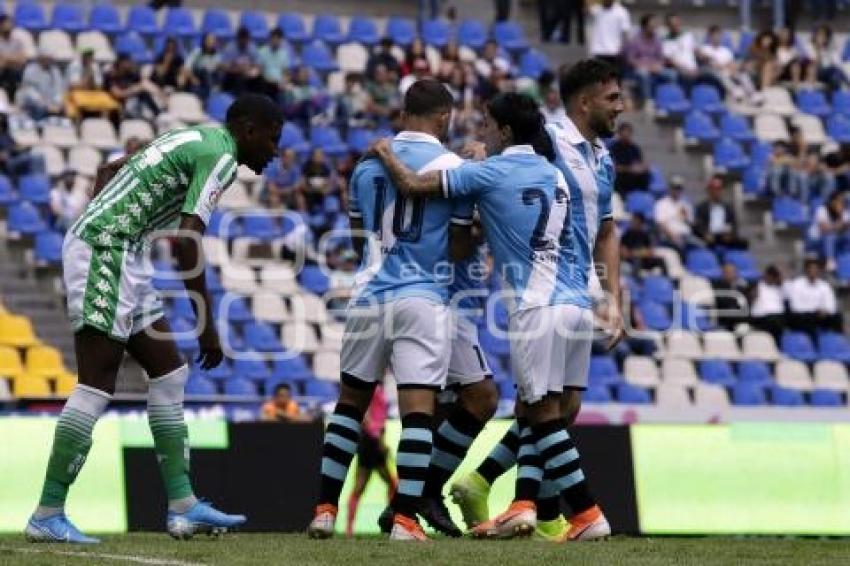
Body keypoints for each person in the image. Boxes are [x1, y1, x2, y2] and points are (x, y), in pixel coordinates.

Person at [371, 62, 624, 542]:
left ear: (505, 130)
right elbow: (577, 235)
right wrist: (606, 297)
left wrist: (386, 151)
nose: (482, 132)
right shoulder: (555, 174)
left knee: (542, 412)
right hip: (576, 298)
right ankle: (525, 505)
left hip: (535, 304)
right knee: (555, 408)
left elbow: (413, 186)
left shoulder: (488, 172)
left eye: (488, 125)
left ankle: (587, 515)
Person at [25, 94, 284, 544]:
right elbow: (187, 243)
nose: (274, 151)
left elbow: (112, 169)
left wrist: (107, 210)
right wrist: (207, 325)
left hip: (128, 249)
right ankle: (47, 513)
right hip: (108, 249)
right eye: (272, 139)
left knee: (168, 373)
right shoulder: (221, 157)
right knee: (95, 383)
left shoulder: (197, 135)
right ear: (248, 130)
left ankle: (183, 508)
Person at [308, 80, 474, 542]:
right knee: (418, 410)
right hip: (421, 295)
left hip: (367, 294)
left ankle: (323, 509)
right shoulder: (452, 167)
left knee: (349, 405)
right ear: (443, 118)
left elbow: (360, 233)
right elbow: (459, 247)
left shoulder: (364, 167)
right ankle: (404, 520)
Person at [345, 385, 397, 537]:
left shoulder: (376, 387)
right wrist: (379, 439)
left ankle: (350, 529)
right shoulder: (371, 388)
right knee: (389, 483)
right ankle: (393, 520)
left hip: (371, 440)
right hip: (371, 441)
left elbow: (377, 415)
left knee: (364, 486)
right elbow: (366, 414)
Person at [785, 257, 842, 336]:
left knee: (837, 317)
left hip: (820, 315)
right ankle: (812, 344)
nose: (813, 271)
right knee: (807, 319)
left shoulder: (824, 285)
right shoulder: (796, 284)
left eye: (816, 269)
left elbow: (831, 304)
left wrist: (825, 310)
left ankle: (838, 343)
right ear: (806, 270)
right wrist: (814, 311)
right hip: (803, 316)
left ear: (819, 270)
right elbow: (796, 307)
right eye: (811, 268)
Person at [624, 14, 675, 103]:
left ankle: (668, 101)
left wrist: (658, 66)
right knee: (644, 74)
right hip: (639, 69)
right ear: (644, 27)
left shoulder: (657, 40)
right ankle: (648, 102)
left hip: (655, 67)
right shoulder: (635, 40)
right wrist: (646, 67)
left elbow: (661, 58)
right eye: (651, 26)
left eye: (655, 26)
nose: (654, 28)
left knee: (671, 75)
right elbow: (630, 60)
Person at [64, 47, 121, 121]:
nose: (89, 57)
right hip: (74, 94)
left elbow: (99, 86)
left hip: (91, 94)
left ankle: (105, 125)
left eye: (91, 55)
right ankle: (78, 129)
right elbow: (74, 86)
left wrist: (91, 75)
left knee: (111, 105)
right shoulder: (74, 66)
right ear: (82, 55)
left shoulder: (95, 66)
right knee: (75, 107)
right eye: (87, 55)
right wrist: (88, 74)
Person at [694, 175, 747, 250]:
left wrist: (730, 234)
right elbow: (698, 224)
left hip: (724, 235)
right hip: (710, 236)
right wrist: (705, 233)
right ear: (709, 191)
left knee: (743, 242)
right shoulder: (702, 207)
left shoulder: (727, 207)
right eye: (714, 189)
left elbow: (733, 223)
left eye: (719, 189)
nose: (717, 192)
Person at [104, 53, 163, 120]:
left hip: (133, 103)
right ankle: (158, 114)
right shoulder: (111, 76)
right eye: (128, 61)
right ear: (121, 63)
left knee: (145, 89)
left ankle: (161, 112)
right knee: (142, 92)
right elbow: (118, 94)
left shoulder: (131, 74)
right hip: (118, 106)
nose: (131, 63)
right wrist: (134, 89)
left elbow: (144, 84)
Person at [16, 48, 65, 121]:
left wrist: (57, 103)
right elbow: (30, 92)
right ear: (40, 59)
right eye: (47, 58)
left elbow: (59, 89)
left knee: (64, 108)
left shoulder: (55, 71)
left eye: (50, 59)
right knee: (40, 109)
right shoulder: (30, 70)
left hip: (51, 104)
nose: (49, 61)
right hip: (33, 104)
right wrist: (45, 105)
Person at [653, 177, 698, 251]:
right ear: (670, 188)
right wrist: (673, 236)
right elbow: (660, 224)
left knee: (701, 247)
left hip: (686, 235)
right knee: (680, 247)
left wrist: (686, 217)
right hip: (669, 236)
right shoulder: (661, 204)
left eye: (679, 188)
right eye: (675, 188)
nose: (677, 190)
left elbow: (692, 223)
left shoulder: (686, 204)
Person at [810, 191, 850, 272]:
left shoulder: (844, 211)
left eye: (842, 201)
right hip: (818, 239)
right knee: (830, 235)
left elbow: (846, 226)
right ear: (832, 201)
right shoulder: (822, 210)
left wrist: (840, 216)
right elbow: (824, 229)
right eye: (838, 201)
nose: (841, 203)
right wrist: (840, 224)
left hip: (836, 238)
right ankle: (830, 261)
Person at [587, 0, 631, 72]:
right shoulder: (596, 9)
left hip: (615, 52)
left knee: (614, 78)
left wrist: (623, 49)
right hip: (599, 51)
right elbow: (586, 9)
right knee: (599, 78)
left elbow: (625, 33)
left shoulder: (622, 12)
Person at [609, 122, 649, 194]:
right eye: (624, 133)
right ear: (619, 134)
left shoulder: (634, 148)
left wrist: (642, 167)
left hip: (633, 178)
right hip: (619, 179)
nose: (626, 136)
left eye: (628, 133)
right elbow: (613, 167)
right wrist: (629, 169)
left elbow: (639, 163)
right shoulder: (613, 148)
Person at [220, 27, 262, 96]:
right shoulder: (230, 48)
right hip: (232, 75)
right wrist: (239, 70)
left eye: (246, 40)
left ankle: (258, 101)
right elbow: (224, 67)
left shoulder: (251, 47)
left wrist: (254, 72)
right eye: (242, 39)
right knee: (239, 79)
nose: (244, 42)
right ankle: (241, 102)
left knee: (260, 79)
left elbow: (258, 65)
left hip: (248, 75)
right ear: (238, 39)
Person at [749, 264, 785, 343]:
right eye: (770, 276)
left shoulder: (779, 288)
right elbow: (751, 299)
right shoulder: (757, 286)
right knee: (773, 321)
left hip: (777, 317)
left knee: (778, 321)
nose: (771, 279)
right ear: (766, 275)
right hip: (761, 318)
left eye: (774, 277)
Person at [184, 33, 223, 100]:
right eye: (209, 40)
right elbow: (186, 68)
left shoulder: (217, 55)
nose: (212, 42)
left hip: (211, 78)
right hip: (198, 79)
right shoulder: (196, 53)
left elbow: (219, 68)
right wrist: (193, 78)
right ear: (204, 41)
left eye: (213, 41)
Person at [49, 167, 88, 233]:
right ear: (63, 178)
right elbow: (55, 210)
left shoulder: (80, 193)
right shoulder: (56, 192)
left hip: (75, 222)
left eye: (72, 176)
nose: (70, 178)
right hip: (61, 222)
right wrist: (66, 216)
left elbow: (82, 210)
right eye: (67, 176)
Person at [257, 27, 291, 101]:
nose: (275, 41)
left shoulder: (284, 54)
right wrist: (273, 82)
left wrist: (285, 81)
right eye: (274, 39)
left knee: (289, 91)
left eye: (278, 39)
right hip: (266, 83)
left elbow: (286, 72)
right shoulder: (262, 52)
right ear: (270, 39)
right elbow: (260, 71)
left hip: (280, 84)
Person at [713, 263, 749, 331]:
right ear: (722, 274)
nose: (730, 274)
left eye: (732, 272)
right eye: (727, 272)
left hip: (739, 317)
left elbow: (744, 303)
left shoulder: (740, 287)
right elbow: (722, 303)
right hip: (725, 318)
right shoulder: (717, 287)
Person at [0, 14, 27, 99]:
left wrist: (6, 58)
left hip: (14, 72)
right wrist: (14, 59)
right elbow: (1, 63)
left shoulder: (17, 42)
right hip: (2, 72)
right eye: (6, 24)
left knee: (17, 73)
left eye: (10, 23)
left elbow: (22, 60)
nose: (9, 26)